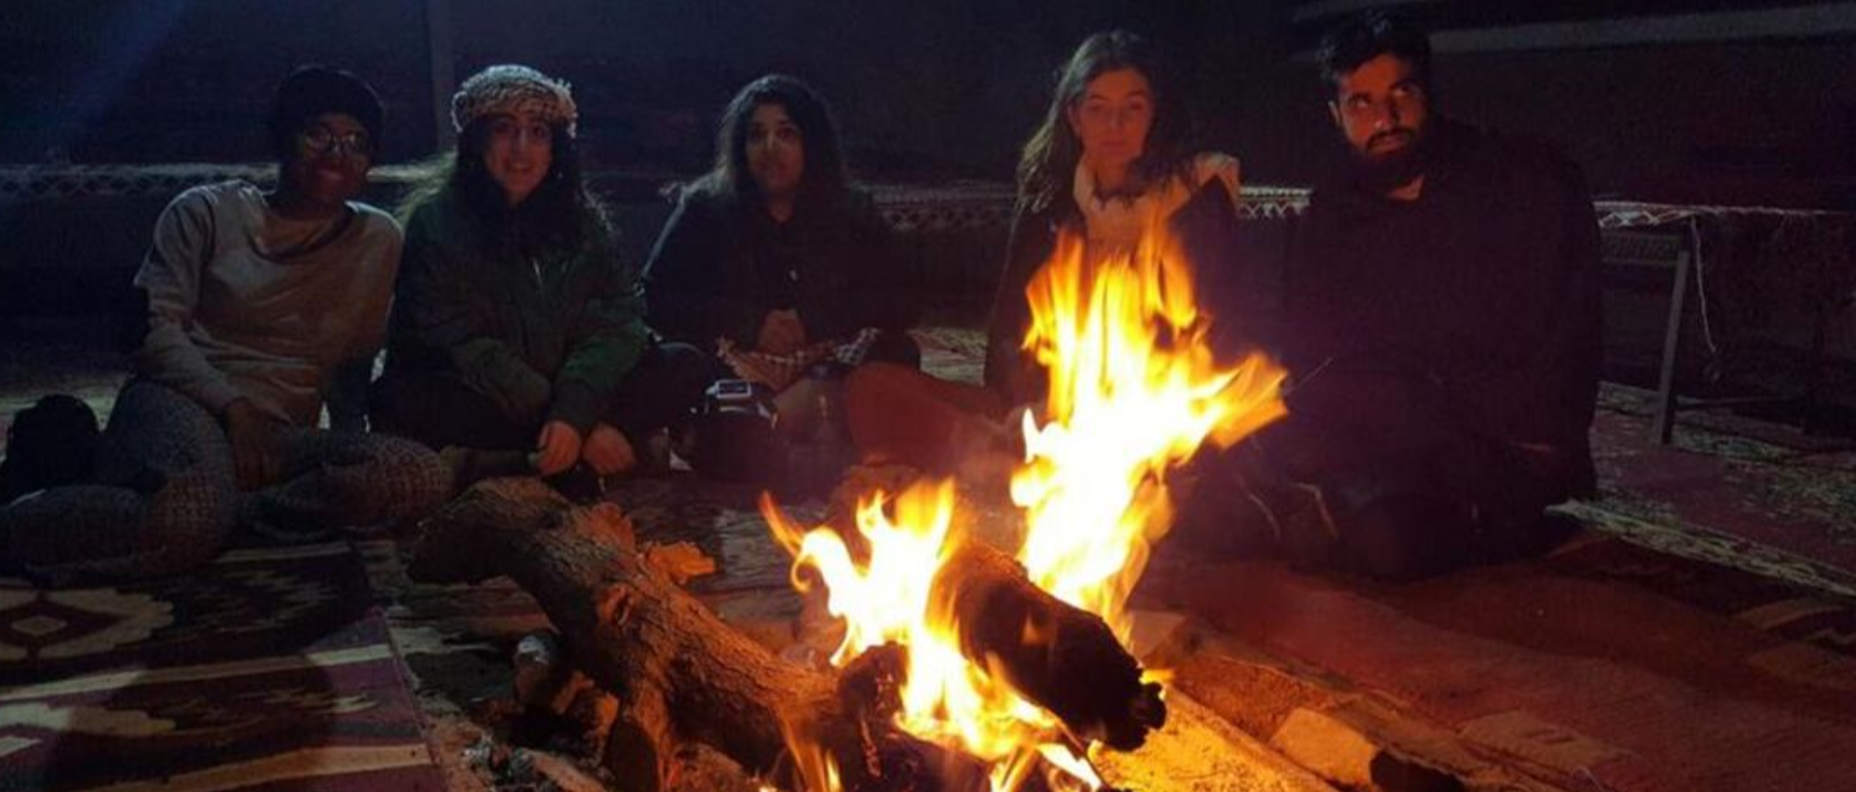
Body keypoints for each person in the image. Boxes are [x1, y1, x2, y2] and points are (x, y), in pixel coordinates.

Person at [0, 66, 450, 593]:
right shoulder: (208, 212)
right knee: (186, 523)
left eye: (357, 141)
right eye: (319, 134)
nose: (338, 154)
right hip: (181, 402)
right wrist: (234, 411)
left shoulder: (378, 237)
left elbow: (352, 367)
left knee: (417, 474)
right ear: (284, 139)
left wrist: (347, 453)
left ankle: (154, 502)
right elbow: (151, 331)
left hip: (279, 436)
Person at [1186, 10, 1602, 579]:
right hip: (1386, 431)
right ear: (1337, 115)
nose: (1385, 119)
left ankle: (1484, 520)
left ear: (1427, 92)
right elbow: (1312, 351)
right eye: (1361, 103)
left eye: (1400, 94)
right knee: (1230, 443)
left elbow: (1554, 351)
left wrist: (1421, 404)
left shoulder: (1521, 184)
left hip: (1493, 437)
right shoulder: (1335, 211)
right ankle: (1327, 504)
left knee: (1387, 541)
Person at [843, 30, 1243, 478]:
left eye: (1132, 108)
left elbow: (1213, 333)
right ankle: (1003, 462)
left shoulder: (1192, 198)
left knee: (1209, 451)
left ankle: (1017, 472)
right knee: (870, 388)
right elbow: (1006, 331)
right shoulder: (1048, 201)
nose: (1114, 125)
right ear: (1074, 117)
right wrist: (1030, 404)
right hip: (1043, 409)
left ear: (1155, 114)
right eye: (1097, 108)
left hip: (1144, 414)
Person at [373, 65, 709, 491]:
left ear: (555, 147)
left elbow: (616, 323)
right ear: (477, 140)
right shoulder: (436, 222)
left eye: (538, 132)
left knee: (683, 364)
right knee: (398, 398)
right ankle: (582, 455)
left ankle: (536, 461)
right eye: (504, 129)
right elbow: (462, 345)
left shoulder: (583, 221)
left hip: (574, 392)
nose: (521, 149)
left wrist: (576, 411)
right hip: (492, 397)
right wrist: (572, 423)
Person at [642, 74, 918, 443]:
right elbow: (653, 296)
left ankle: (766, 426)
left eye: (786, 134)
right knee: (676, 361)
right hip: (734, 363)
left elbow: (902, 300)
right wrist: (750, 323)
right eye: (756, 135)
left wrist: (813, 321)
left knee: (897, 354)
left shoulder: (852, 209)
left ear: (812, 144)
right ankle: (772, 426)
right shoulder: (706, 206)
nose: (770, 148)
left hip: (826, 364)